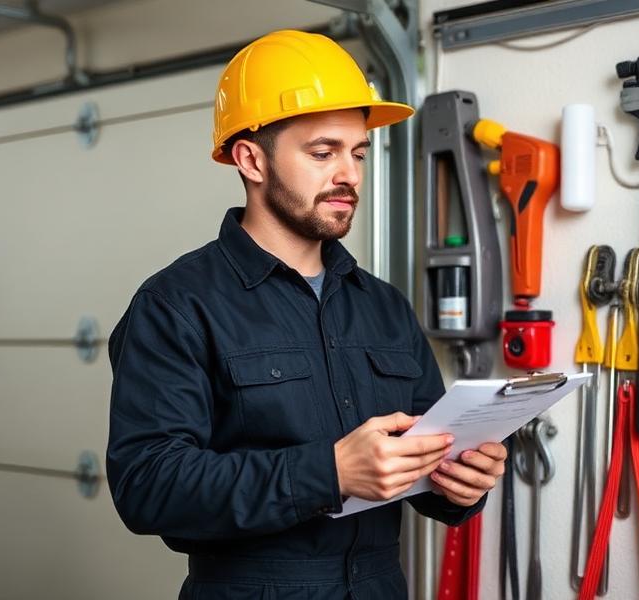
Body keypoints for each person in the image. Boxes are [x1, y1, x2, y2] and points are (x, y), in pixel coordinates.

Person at [106, 29, 506, 599]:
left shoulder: (384, 306)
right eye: (323, 153)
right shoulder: (177, 305)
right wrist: (329, 473)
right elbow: (149, 486)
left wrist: (459, 482)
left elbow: (425, 451)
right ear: (251, 159)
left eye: (358, 152)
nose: (350, 174)